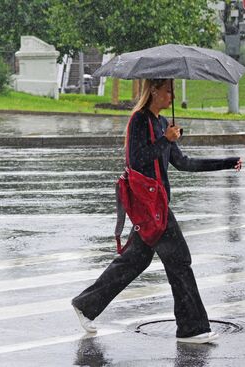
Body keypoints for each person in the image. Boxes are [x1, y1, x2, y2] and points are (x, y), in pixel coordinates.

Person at [71, 79, 242, 344]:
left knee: (135, 260)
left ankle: (86, 304)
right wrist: (165, 140)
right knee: (180, 261)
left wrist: (227, 162)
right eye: (168, 90)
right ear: (154, 91)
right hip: (151, 208)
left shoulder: (163, 124)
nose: (171, 95)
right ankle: (192, 329)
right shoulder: (139, 121)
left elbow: (183, 163)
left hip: (157, 205)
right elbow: (136, 160)